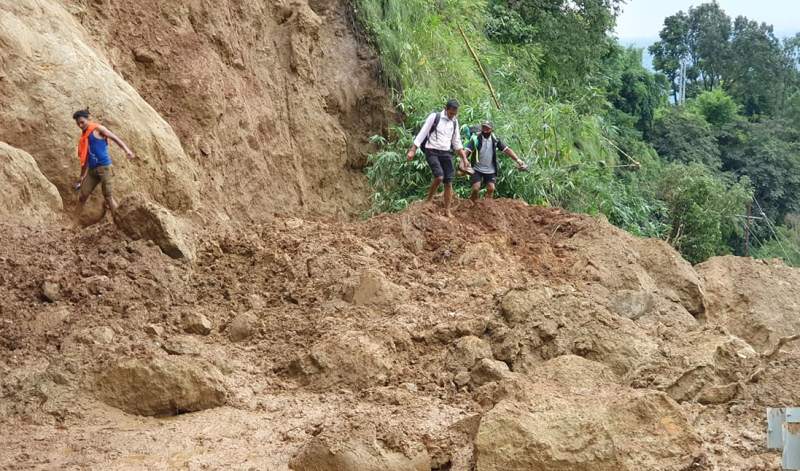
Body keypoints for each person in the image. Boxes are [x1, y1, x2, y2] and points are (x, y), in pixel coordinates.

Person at [406, 99, 471, 218]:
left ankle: (447, 210)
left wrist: (464, 159)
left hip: (446, 152)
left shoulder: (454, 122)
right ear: (445, 109)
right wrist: (413, 150)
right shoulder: (434, 117)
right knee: (439, 176)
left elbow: (456, 142)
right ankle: (429, 200)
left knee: (448, 181)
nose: (452, 116)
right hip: (432, 151)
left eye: (454, 114)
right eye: (451, 113)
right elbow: (423, 133)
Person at [73, 109, 135, 222]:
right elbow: (85, 159)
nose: (80, 125)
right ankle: (72, 225)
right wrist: (82, 176)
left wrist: (127, 150)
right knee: (82, 196)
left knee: (108, 197)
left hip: (104, 167)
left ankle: (120, 223)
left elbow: (114, 138)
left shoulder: (97, 129)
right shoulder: (84, 137)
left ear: (88, 119)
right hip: (92, 171)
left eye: (82, 122)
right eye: (78, 124)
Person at [465, 121, 527, 204]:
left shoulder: (495, 140)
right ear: (481, 128)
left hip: (490, 169)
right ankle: (472, 203)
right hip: (477, 168)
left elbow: (507, 150)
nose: (485, 131)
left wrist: (518, 160)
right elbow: (467, 151)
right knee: (476, 188)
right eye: (484, 128)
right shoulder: (475, 139)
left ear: (492, 129)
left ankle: (487, 207)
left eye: (487, 129)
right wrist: (463, 161)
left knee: (491, 188)